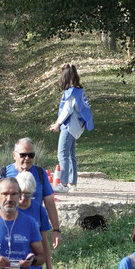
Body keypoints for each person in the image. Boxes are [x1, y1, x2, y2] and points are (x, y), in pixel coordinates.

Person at [0, 138, 62, 249]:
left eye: (31, 155)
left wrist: (56, 230)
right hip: (7, 230)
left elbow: (49, 202)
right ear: (14, 155)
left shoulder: (40, 173)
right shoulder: (2, 174)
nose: (27, 158)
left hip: (33, 231)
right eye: (23, 155)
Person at [48, 63, 93, 192]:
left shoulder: (71, 92)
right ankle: (72, 183)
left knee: (62, 154)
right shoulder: (79, 91)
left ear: (65, 78)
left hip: (69, 127)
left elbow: (67, 110)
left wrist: (57, 124)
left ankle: (63, 183)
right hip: (77, 126)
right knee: (71, 154)